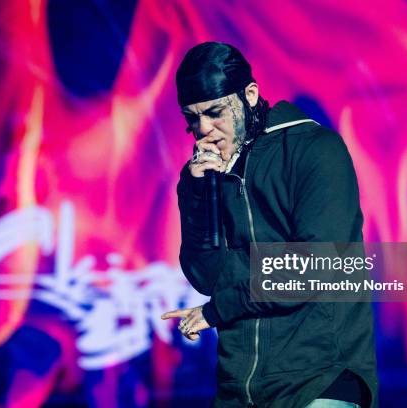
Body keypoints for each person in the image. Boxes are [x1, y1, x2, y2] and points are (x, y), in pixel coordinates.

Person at [161, 42, 378, 408]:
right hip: (240, 389)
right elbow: (208, 276)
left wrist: (216, 310)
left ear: (249, 95)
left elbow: (314, 266)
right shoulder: (205, 175)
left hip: (321, 377)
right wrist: (200, 195)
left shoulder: (314, 149)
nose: (204, 130)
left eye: (215, 113)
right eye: (192, 119)